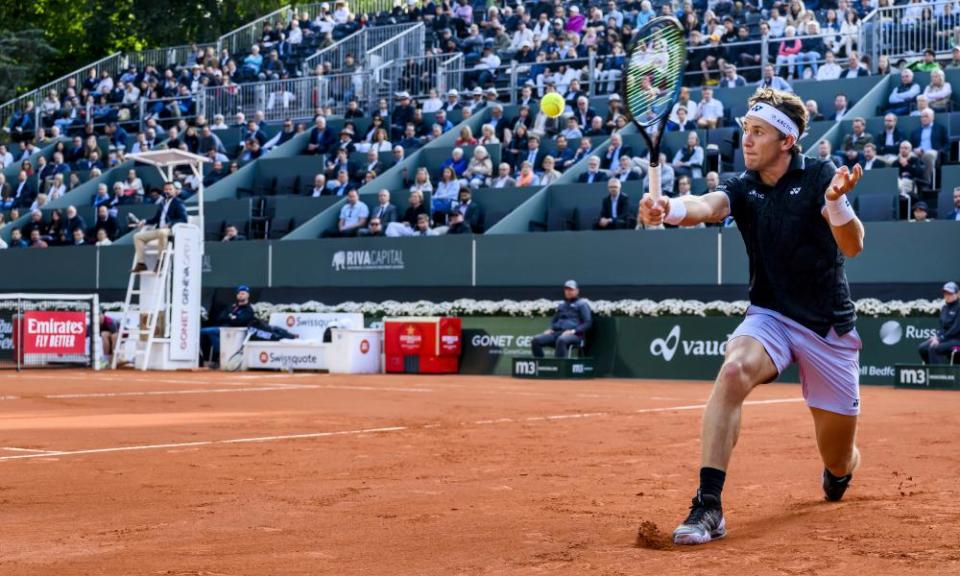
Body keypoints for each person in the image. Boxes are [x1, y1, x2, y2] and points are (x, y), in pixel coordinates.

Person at [640, 87, 866, 545]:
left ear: (786, 141)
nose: (747, 140)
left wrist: (839, 202)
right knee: (733, 370)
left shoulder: (822, 174)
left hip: (826, 328)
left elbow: (853, 246)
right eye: (746, 130)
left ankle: (839, 472)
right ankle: (708, 505)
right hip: (771, 316)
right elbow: (707, 206)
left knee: (839, 458)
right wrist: (670, 209)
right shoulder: (743, 186)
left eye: (758, 132)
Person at [131, 181, 188, 273]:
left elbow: (184, 219)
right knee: (137, 236)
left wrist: (170, 223)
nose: (168, 191)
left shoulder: (178, 202)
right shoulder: (162, 203)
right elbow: (156, 219)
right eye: (166, 189)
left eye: (170, 189)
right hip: (159, 230)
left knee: (162, 233)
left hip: (171, 231)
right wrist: (145, 221)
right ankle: (141, 264)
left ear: (175, 191)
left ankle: (160, 262)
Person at [530, 280, 592, 358]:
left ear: (577, 291)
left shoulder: (582, 304)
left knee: (561, 340)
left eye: (571, 289)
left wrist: (573, 331)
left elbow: (588, 323)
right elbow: (554, 320)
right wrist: (551, 329)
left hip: (575, 336)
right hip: (557, 333)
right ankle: (540, 365)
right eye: (566, 289)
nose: (568, 292)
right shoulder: (562, 305)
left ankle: (559, 367)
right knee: (536, 340)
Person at [200, 285, 256, 367]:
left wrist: (232, 318)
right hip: (224, 329)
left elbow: (241, 321)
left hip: (237, 332)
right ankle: (216, 358)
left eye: (243, 293)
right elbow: (221, 317)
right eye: (239, 293)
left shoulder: (248, 309)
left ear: (248, 295)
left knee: (207, 331)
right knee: (206, 332)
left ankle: (218, 358)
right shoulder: (232, 306)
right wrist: (232, 318)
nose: (240, 295)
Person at [918, 282, 960, 364]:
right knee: (922, 348)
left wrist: (940, 338)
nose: (947, 296)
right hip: (946, 339)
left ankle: (938, 374)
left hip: (957, 339)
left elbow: (956, 329)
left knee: (934, 347)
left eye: (950, 293)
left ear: (957, 294)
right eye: (945, 293)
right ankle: (929, 371)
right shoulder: (944, 308)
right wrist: (937, 336)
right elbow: (942, 328)